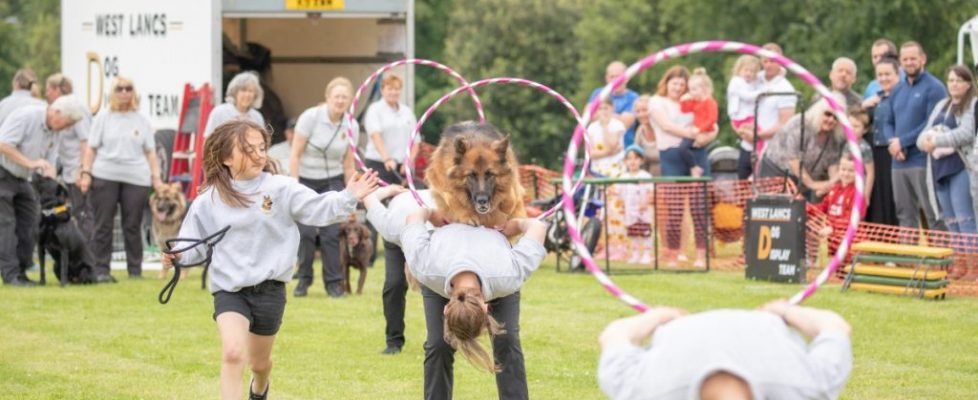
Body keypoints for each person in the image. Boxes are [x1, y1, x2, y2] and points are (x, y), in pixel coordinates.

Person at [162, 119, 378, 400]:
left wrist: (349, 196)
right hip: (229, 290)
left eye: (261, 147)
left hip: (270, 290)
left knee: (259, 364)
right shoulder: (209, 200)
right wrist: (179, 255)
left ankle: (260, 387)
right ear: (226, 158)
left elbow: (319, 209)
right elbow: (196, 245)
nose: (259, 155)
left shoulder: (281, 188)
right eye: (248, 149)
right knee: (232, 354)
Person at [401, 206, 547, 400]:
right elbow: (415, 215)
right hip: (450, 276)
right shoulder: (426, 267)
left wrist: (437, 217)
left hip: (465, 273)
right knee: (438, 344)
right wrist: (515, 225)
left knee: (507, 340)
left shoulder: (426, 267)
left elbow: (537, 227)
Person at [598, 301, 852, 399]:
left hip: (683, 330)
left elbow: (614, 335)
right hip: (763, 325)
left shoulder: (647, 390)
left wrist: (657, 316)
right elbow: (835, 326)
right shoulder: (804, 386)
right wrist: (785, 311)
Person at [79, 77, 163, 281]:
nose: (124, 92)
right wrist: (86, 173)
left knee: (132, 225)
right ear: (113, 92)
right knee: (103, 224)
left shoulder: (141, 119)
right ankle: (101, 270)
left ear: (133, 93)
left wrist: (156, 179)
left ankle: (135, 270)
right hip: (105, 174)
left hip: (136, 177)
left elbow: (150, 152)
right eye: (120, 89)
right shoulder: (103, 118)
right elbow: (91, 148)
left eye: (128, 89)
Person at [0, 96, 86, 286]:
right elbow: (3, 144)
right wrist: (30, 163)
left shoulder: (55, 131)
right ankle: (11, 275)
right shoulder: (26, 117)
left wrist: (51, 174)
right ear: (56, 113)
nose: (68, 127)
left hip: (23, 178)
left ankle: (21, 272)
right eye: (68, 122)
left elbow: (50, 160)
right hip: (3, 173)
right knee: (6, 225)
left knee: (30, 222)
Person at [289, 77, 359, 298]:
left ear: (349, 101)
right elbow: (295, 154)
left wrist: (352, 197)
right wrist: (294, 186)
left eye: (344, 97)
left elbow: (349, 164)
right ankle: (303, 280)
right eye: (336, 96)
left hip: (332, 181)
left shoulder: (351, 125)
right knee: (307, 233)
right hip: (306, 180)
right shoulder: (310, 117)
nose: (340, 101)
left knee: (330, 234)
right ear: (327, 98)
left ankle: (334, 285)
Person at [649, 65, 716, 267]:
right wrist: (693, 134)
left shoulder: (695, 101)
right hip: (672, 155)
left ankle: (701, 255)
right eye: (674, 82)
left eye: (681, 83)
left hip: (696, 154)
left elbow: (713, 123)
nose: (678, 87)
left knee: (698, 207)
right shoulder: (657, 102)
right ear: (667, 83)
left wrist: (707, 136)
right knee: (674, 209)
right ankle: (673, 253)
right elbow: (666, 125)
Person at [363, 185, 435, 355]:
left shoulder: (437, 234)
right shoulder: (390, 227)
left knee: (435, 289)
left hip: (428, 226)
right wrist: (388, 191)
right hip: (399, 228)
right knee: (394, 284)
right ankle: (393, 342)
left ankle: (436, 341)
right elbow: (368, 197)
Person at [883, 41, 947, 231]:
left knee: (933, 214)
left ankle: (942, 260)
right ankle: (909, 260)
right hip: (898, 162)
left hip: (923, 161)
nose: (909, 62)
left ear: (923, 59)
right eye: (905, 59)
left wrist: (903, 142)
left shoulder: (935, 87)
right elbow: (888, 121)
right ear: (900, 62)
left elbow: (931, 123)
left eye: (913, 58)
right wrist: (893, 144)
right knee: (905, 216)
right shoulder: (898, 90)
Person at [917, 65, 977, 241]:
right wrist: (925, 142)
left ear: (968, 84)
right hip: (939, 171)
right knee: (951, 222)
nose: (954, 84)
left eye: (959, 80)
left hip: (960, 168)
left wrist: (936, 140)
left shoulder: (972, 104)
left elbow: (966, 133)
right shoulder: (942, 105)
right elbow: (923, 134)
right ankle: (959, 265)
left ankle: (973, 266)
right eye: (951, 80)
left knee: (965, 220)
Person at [759, 95, 848, 201]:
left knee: (801, 213)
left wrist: (830, 184)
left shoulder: (834, 137)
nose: (831, 120)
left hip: (803, 183)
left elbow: (833, 165)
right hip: (777, 174)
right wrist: (813, 184)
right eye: (828, 114)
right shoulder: (801, 123)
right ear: (819, 111)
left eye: (836, 117)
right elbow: (793, 160)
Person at [45, 73, 94, 238]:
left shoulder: (74, 107)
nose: (47, 95)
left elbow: (85, 140)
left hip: (78, 171)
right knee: (78, 212)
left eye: (49, 90)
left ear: (58, 89)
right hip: (69, 169)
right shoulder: (61, 108)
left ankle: (88, 255)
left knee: (84, 214)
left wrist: (82, 170)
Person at [746, 43, 797, 176]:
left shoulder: (786, 89)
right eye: (765, 61)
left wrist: (757, 136)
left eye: (773, 61)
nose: (768, 65)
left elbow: (785, 124)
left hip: (771, 151)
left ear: (781, 62)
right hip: (747, 145)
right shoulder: (753, 80)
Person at [863, 56, 900, 226]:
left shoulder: (901, 96)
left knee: (892, 197)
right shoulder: (875, 99)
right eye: (880, 75)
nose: (884, 78)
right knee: (877, 198)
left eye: (888, 74)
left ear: (897, 74)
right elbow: (857, 120)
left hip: (892, 152)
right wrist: (864, 106)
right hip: (874, 152)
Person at [363, 74, 418, 186]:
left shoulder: (407, 111)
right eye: (390, 89)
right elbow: (375, 135)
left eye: (397, 89)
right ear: (382, 90)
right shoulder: (375, 110)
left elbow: (416, 140)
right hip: (379, 164)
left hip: (402, 167)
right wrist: (387, 158)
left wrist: (409, 161)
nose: (394, 92)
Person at [610, 145, 653, 264]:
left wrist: (646, 203)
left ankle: (646, 254)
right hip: (629, 211)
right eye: (629, 159)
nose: (632, 162)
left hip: (643, 211)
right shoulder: (623, 177)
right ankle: (634, 254)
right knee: (632, 233)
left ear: (641, 160)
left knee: (645, 232)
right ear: (625, 162)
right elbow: (617, 192)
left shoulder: (646, 176)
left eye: (635, 158)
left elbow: (651, 191)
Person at [815, 152, 859, 260]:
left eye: (850, 171)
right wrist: (805, 208)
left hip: (847, 238)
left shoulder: (858, 194)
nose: (846, 174)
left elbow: (851, 219)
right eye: (843, 169)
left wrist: (833, 228)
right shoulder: (835, 189)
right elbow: (822, 207)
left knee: (844, 266)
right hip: (830, 237)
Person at [726, 55, 765, 179]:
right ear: (739, 69)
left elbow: (761, 76)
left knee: (757, 140)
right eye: (746, 70)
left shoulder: (749, 82)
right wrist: (763, 92)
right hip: (741, 118)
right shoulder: (737, 82)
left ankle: (757, 168)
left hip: (746, 117)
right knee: (758, 138)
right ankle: (758, 167)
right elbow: (747, 96)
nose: (749, 74)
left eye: (752, 71)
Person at [589, 61, 640, 147]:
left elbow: (626, 123)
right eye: (612, 77)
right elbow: (589, 115)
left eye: (618, 76)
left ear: (626, 78)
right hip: (599, 148)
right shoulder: (598, 93)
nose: (615, 80)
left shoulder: (633, 97)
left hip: (624, 148)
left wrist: (601, 115)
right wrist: (618, 117)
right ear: (607, 78)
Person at [678, 68, 718, 177]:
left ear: (704, 89)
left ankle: (696, 168)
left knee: (687, 148)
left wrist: (700, 129)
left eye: (694, 89)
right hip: (696, 131)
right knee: (682, 148)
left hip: (704, 130)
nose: (692, 93)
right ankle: (694, 167)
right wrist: (682, 101)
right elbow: (684, 110)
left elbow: (712, 119)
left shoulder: (710, 102)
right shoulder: (696, 101)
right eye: (690, 89)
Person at [203, 71, 266, 138]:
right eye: (243, 90)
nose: (247, 94)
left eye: (251, 91)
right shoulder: (219, 112)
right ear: (234, 92)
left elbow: (261, 143)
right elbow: (208, 140)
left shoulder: (257, 117)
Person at [587, 97, 626, 176]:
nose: (603, 111)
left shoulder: (618, 125)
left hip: (616, 170)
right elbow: (590, 153)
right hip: (597, 170)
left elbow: (612, 145)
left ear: (612, 108)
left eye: (606, 108)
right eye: (600, 109)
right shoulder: (591, 127)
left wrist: (604, 126)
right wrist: (609, 152)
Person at [847, 107, 874, 205]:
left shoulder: (864, 148)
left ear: (865, 129)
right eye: (849, 125)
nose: (851, 129)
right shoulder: (847, 145)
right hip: (846, 186)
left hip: (859, 188)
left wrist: (866, 195)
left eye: (856, 126)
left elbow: (870, 172)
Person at [631, 94, 660, 175]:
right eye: (638, 111)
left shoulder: (662, 128)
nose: (641, 114)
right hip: (646, 179)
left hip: (667, 178)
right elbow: (636, 156)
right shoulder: (639, 131)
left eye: (645, 110)